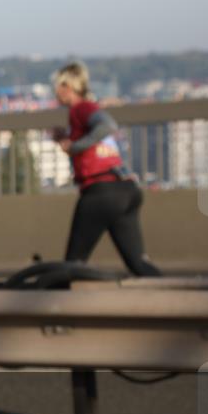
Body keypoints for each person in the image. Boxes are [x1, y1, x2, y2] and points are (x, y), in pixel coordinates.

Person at [52, 62, 161, 276]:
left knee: (72, 265)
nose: (56, 92)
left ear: (68, 87)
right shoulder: (84, 113)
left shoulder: (81, 109)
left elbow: (108, 125)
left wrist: (74, 146)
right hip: (125, 189)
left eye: (58, 86)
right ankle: (177, 301)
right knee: (139, 265)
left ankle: (58, 306)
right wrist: (67, 140)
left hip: (101, 192)